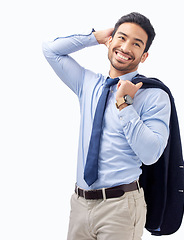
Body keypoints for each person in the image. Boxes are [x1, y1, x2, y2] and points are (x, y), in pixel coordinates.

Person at [42, 12, 171, 240]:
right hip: (80, 204)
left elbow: (151, 154)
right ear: (110, 41)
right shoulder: (88, 83)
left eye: (136, 44)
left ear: (144, 56)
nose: (126, 47)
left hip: (120, 208)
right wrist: (94, 37)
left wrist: (125, 103)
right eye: (121, 38)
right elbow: (51, 50)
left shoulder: (154, 96)